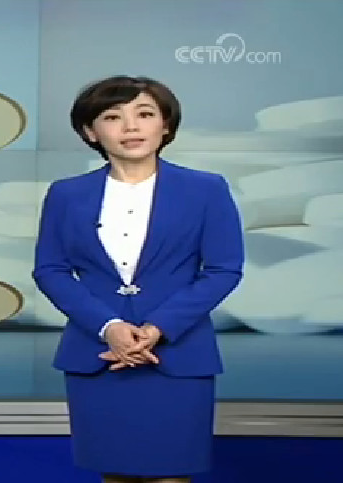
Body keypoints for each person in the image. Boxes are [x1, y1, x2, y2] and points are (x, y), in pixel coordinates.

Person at [32, 75, 244, 483]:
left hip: (176, 355)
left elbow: (223, 269)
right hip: (99, 356)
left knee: (171, 474)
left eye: (144, 114)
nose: (131, 127)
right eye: (113, 117)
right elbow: (50, 270)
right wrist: (108, 327)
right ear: (90, 132)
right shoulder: (66, 194)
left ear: (166, 125)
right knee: (116, 473)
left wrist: (158, 328)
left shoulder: (206, 189)